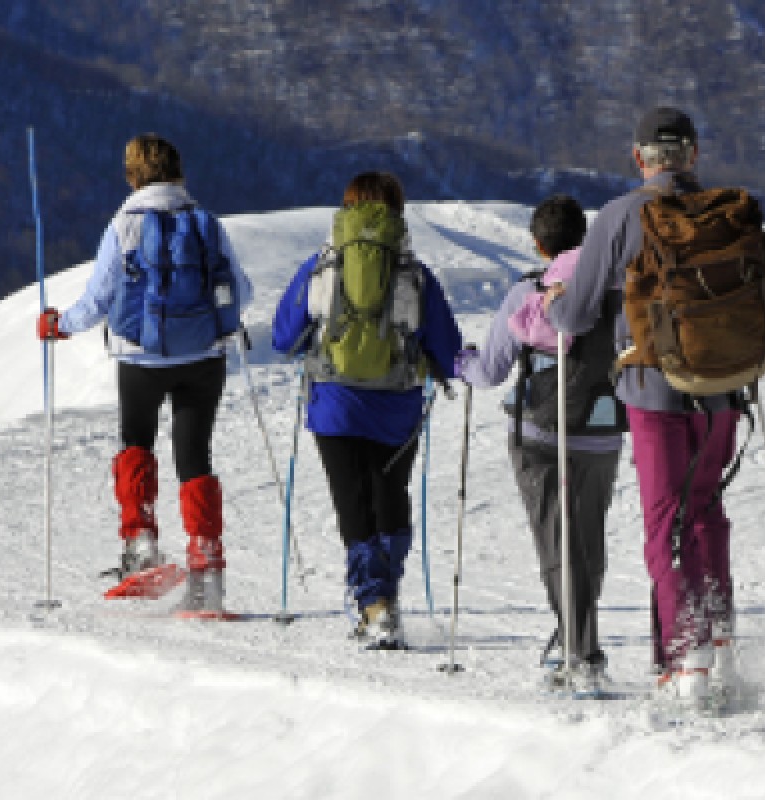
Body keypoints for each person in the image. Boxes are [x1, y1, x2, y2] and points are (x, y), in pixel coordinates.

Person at [546, 107, 746, 705]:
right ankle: (718, 638)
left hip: (653, 385)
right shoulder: (728, 213)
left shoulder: (619, 216)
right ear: (693, 155)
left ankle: (685, 654)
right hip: (722, 385)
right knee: (706, 506)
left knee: (666, 518)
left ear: (639, 158)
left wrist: (554, 303)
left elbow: (577, 313)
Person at [36, 133, 254, 614]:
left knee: (136, 443)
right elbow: (242, 291)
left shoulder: (126, 224)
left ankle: (141, 549)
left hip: (141, 358)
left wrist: (59, 326)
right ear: (178, 172)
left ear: (132, 175)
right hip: (204, 357)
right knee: (195, 455)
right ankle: (207, 569)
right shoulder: (206, 222)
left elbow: (98, 298)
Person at [272, 171, 462, 649]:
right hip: (398, 403)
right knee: (389, 492)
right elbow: (448, 351)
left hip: (333, 401)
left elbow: (283, 337)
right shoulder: (415, 274)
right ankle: (387, 597)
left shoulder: (321, 265)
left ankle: (373, 606)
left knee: (352, 500)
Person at [456, 194, 623, 693]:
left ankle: (579, 653)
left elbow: (490, 371)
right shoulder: (615, 289)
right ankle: (578, 639)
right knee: (587, 539)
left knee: (556, 539)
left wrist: (461, 363)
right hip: (602, 428)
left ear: (538, 244)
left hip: (540, 431)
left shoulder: (528, 291)